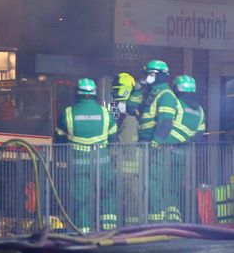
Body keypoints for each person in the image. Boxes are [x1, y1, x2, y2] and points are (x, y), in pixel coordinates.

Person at [55, 78, 117, 233]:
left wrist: (61, 159)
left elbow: (59, 139)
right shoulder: (105, 112)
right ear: (94, 93)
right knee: (107, 196)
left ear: (77, 93)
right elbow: (113, 137)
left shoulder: (68, 113)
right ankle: (109, 230)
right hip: (102, 164)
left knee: (80, 200)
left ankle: (83, 232)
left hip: (78, 166)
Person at [126, 59, 179, 223]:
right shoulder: (151, 93)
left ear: (160, 75)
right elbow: (130, 108)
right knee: (147, 184)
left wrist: (156, 143)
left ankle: (157, 223)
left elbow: (165, 123)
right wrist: (138, 88)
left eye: (150, 74)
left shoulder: (166, 95)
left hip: (156, 148)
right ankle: (154, 222)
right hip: (146, 145)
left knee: (154, 184)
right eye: (147, 74)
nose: (147, 77)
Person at [162, 75, 207, 222]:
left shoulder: (176, 104)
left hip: (166, 151)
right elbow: (199, 135)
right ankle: (175, 219)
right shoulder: (200, 110)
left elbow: (165, 123)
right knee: (175, 187)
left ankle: (166, 219)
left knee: (162, 186)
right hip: (183, 154)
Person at [109, 72, 141, 226]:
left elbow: (124, 142)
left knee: (131, 204)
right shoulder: (128, 115)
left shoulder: (130, 118)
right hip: (127, 170)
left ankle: (132, 230)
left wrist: (110, 152)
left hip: (128, 170)